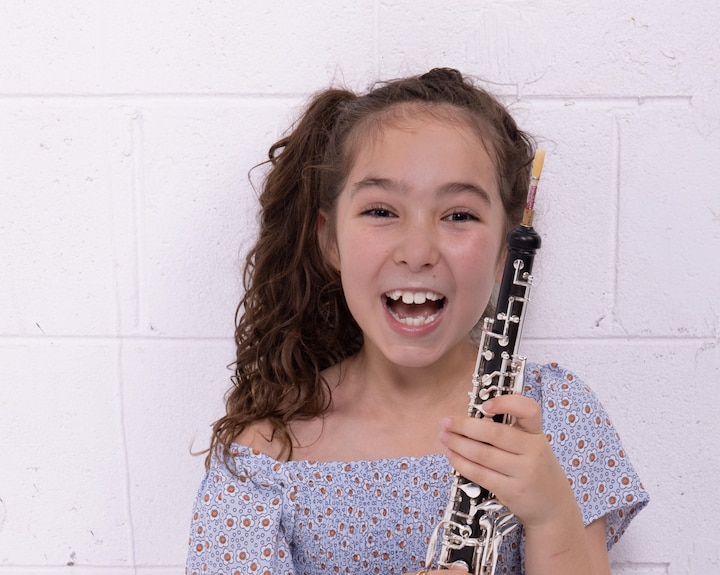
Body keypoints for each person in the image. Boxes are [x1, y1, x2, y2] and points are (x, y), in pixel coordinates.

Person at [186, 68, 648, 575]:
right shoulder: (266, 457)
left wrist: (552, 512)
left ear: (504, 249)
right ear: (329, 239)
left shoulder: (554, 417)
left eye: (459, 216)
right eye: (382, 210)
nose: (418, 251)